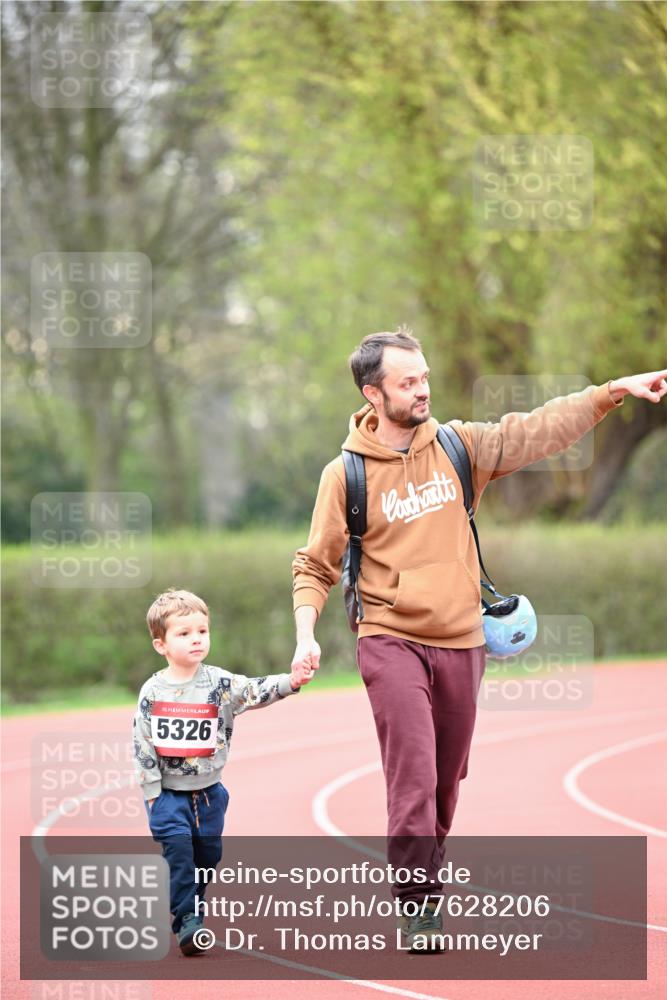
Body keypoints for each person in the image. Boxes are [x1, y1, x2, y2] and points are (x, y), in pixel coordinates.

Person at [291, 327, 666, 951]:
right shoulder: (346, 475)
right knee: (411, 772)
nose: (423, 390)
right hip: (389, 638)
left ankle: (426, 873)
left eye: (425, 377)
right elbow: (316, 563)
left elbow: (537, 430)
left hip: (464, 639)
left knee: (445, 778)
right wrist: (306, 633)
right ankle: (418, 904)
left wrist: (610, 393)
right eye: (407, 382)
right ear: (372, 392)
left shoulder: (460, 446)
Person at [133, 587, 313, 956]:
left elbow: (254, 690)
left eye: (202, 631)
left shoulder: (219, 683)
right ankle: (186, 920)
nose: (196, 639)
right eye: (184, 634)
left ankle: (193, 906)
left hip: (210, 793)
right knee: (179, 852)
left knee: (207, 857)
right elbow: (142, 741)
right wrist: (151, 793)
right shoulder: (153, 691)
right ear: (161, 645)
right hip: (168, 794)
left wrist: (291, 681)